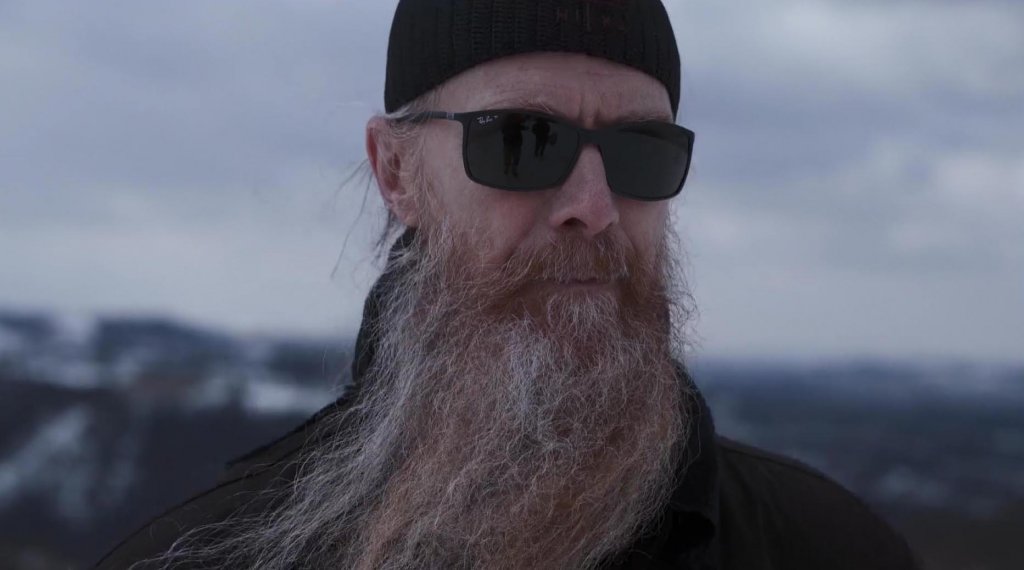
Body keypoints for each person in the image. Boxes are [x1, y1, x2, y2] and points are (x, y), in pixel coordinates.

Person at [96, 1, 921, 568]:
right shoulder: (219, 555)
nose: (593, 207)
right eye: (523, 140)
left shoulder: (827, 550)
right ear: (397, 172)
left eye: (642, 152)